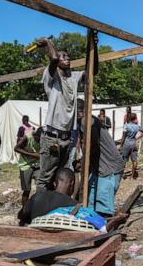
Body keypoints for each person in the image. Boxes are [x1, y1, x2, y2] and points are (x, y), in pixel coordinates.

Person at [35, 35, 98, 190]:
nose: (67, 58)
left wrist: (94, 47)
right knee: (45, 178)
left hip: (66, 138)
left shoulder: (73, 77)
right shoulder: (51, 77)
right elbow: (54, 59)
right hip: (52, 137)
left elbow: (93, 70)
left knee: (59, 176)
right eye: (64, 56)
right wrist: (48, 42)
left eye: (68, 56)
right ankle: (39, 210)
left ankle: (53, 206)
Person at [77, 99, 124, 218]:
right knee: (91, 208)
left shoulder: (86, 121)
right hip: (100, 170)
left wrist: (83, 163)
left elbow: (94, 144)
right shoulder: (83, 122)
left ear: (78, 111)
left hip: (108, 169)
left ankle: (102, 233)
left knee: (102, 211)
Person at [14, 127, 42, 208]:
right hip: (25, 165)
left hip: (37, 165)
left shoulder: (44, 139)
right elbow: (16, 148)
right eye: (39, 139)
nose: (40, 141)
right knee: (27, 190)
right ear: (36, 135)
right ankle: (24, 210)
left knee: (41, 187)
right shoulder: (28, 138)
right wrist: (32, 155)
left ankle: (37, 208)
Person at [120, 113, 143, 179]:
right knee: (134, 160)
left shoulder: (126, 125)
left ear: (129, 118)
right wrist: (138, 137)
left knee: (124, 160)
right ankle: (132, 176)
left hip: (127, 143)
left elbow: (123, 136)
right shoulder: (137, 126)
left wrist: (121, 145)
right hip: (134, 143)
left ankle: (122, 174)